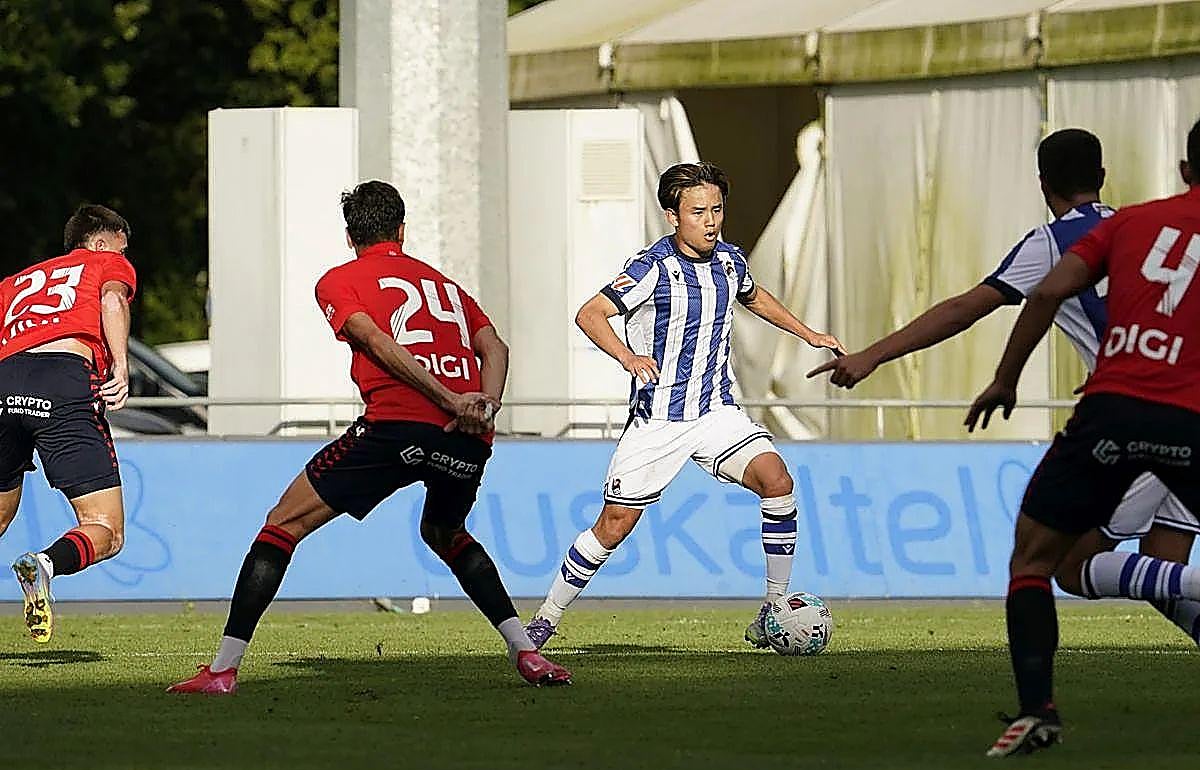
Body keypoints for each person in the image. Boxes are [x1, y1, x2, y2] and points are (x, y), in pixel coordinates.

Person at [168, 181, 570, 693]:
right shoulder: (444, 284)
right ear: (402, 228)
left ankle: (222, 670)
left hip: (398, 428)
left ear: (349, 234)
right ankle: (527, 654)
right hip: (469, 437)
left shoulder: (339, 281)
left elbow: (378, 341)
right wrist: (483, 406)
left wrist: (446, 400)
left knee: (281, 526)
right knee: (446, 533)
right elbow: (495, 346)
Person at [809, 128, 1200, 645]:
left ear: (1043, 184)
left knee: (1066, 561)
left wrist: (872, 356)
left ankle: (1037, 708)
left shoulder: (1058, 242)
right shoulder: (1140, 229)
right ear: (1102, 177)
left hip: (1138, 414)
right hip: (1183, 403)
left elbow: (964, 308)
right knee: (1162, 569)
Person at [524, 162, 845, 650]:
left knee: (777, 481)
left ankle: (773, 608)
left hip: (715, 413)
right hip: (658, 423)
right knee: (613, 526)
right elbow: (590, 313)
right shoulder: (651, 267)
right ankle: (546, 618)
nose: (711, 221)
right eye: (699, 212)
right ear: (673, 215)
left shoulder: (730, 262)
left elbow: (754, 297)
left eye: (717, 210)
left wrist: (809, 333)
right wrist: (628, 356)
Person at [966, 117, 1200, 757]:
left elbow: (1045, 293)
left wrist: (1005, 379)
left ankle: (1036, 712)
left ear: (1184, 171)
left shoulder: (1127, 224)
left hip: (1118, 410)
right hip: (1192, 413)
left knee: (1037, 561)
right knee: (1145, 561)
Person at [1, 205, 135, 643]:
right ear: (99, 244)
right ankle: (45, 564)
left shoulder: (16, 281)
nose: (125, 255)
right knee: (106, 528)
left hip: (5, 380)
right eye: (122, 246)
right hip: (62, 380)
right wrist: (120, 364)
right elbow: (112, 299)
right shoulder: (105, 264)